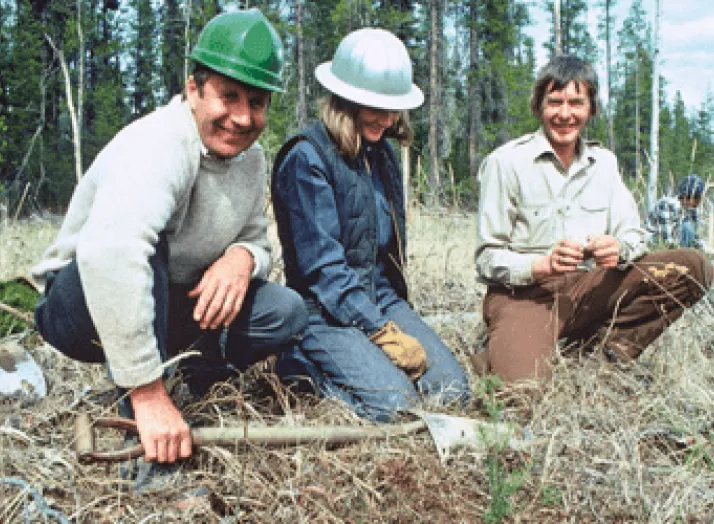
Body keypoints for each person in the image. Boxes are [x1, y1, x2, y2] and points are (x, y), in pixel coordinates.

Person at [31, 9, 308, 464]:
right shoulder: (159, 142)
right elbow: (113, 254)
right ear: (193, 88)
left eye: (256, 102)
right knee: (149, 245)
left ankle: (190, 376)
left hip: (170, 297)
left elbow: (259, 241)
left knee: (286, 312)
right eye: (229, 96)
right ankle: (143, 418)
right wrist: (147, 393)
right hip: (79, 303)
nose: (241, 117)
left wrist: (242, 257)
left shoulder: (252, 158)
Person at [271, 28, 470, 422]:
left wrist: (390, 317)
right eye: (376, 107)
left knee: (451, 392)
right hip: (323, 310)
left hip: (379, 297)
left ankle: (364, 363)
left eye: (394, 108)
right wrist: (380, 332)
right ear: (346, 100)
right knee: (394, 406)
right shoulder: (307, 159)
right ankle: (300, 365)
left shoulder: (381, 155)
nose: (388, 119)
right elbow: (323, 272)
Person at [473, 55, 713, 383]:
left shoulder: (604, 164)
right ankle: (504, 350)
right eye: (554, 102)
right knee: (520, 393)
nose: (565, 114)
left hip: (592, 286)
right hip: (526, 295)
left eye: (576, 102)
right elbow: (487, 258)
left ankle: (606, 353)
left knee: (692, 267)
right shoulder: (505, 163)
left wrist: (619, 248)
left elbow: (634, 235)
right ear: (538, 105)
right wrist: (541, 265)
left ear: (592, 107)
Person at [647, 174, 707, 249]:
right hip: (654, 245)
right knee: (687, 227)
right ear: (697, 197)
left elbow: (695, 239)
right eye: (701, 196)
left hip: (675, 246)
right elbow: (667, 239)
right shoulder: (667, 204)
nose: (702, 199)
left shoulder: (692, 211)